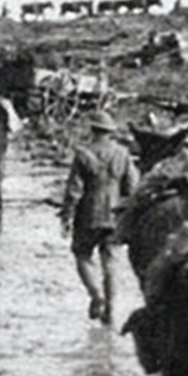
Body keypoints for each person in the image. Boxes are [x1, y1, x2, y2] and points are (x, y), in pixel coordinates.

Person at [60, 110, 138, 325]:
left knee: (82, 254)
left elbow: (74, 190)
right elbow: (132, 187)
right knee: (111, 263)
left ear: (93, 131)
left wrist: (66, 215)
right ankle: (111, 310)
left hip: (88, 215)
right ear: (110, 132)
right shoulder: (122, 154)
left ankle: (96, 296)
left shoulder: (83, 154)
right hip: (114, 217)